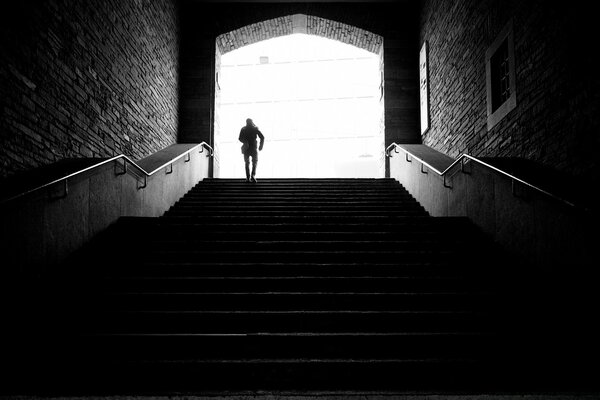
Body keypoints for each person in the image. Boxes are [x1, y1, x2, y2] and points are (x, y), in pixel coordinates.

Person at [238, 118, 265, 182]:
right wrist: (260, 146)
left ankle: (248, 177)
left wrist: (245, 141)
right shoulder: (254, 128)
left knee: (248, 163)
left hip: (247, 147)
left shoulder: (244, 129)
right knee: (254, 162)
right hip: (252, 147)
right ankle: (252, 176)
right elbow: (262, 137)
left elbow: (240, 138)